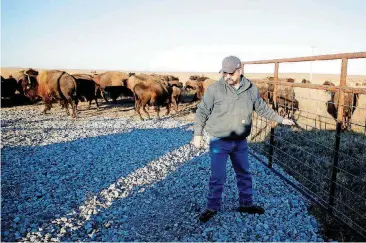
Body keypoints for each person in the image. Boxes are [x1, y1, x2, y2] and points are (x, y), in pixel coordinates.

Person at [193, 55, 295, 223]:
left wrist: (281, 119)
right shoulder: (214, 89)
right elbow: (202, 111)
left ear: (240, 71)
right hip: (219, 140)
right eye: (224, 73)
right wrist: (197, 134)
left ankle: (246, 204)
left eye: (230, 73)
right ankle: (212, 207)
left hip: (240, 142)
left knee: (244, 173)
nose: (226, 77)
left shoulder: (251, 89)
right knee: (217, 176)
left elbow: (262, 108)